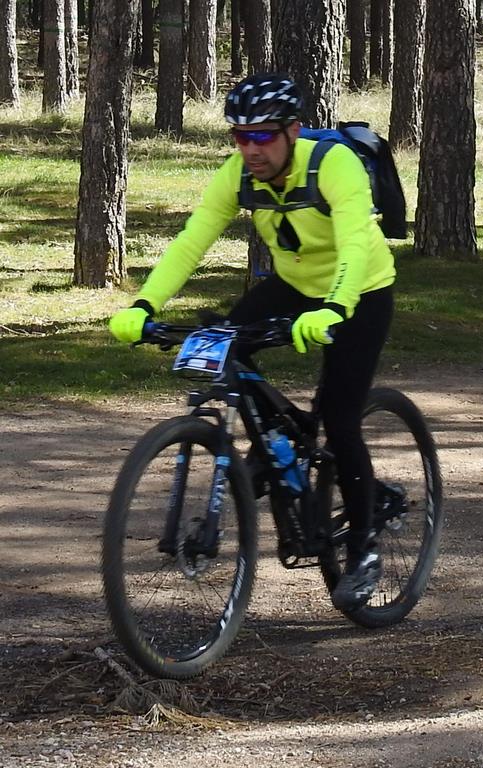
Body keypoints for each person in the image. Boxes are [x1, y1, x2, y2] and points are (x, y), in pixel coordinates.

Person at [108, 72, 396, 611]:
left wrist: (335, 305)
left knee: (338, 415)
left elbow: (357, 239)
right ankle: (274, 453)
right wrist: (145, 305)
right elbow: (194, 239)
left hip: (360, 292)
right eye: (240, 137)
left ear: (293, 129)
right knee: (226, 345)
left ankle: (363, 549)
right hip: (291, 285)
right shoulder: (238, 174)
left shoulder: (334, 165)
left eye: (263, 135)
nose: (250, 148)